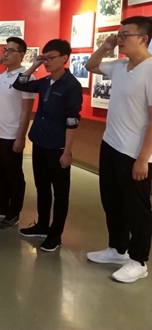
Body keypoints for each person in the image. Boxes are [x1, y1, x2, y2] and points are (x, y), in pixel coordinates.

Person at [85, 16, 152, 283]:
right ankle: (117, 248)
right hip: (110, 144)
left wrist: (143, 158)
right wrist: (106, 46)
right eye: (119, 34)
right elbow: (91, 66)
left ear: (143, 39)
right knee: (111, 201)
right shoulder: (121, 66)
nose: (120, 39)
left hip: (134, 152)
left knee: (137, 208)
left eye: (125, 35)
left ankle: (138, 260)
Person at [12, 39, 83, 252]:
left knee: (60, 193)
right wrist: (34, 64)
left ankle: (55, 234)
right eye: (45, 58)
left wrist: (67, 151)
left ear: (64, 58)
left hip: (58, 146)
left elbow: (72, 120)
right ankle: (42, 225)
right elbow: (19, 83)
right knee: (42, 187)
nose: (47, 62)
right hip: (40, 142)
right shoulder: (45, 81)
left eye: (51, 58)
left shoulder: (72, 85)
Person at [0, 38, 35, 229]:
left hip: (11, 136)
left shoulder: (26, 78)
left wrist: (21, 137)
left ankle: (14, 212)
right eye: (4, 50)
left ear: (21, 55)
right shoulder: (3, 75)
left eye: (10, 51)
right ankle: (2, 205)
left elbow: (26, 111)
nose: (5, 54)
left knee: (14, 176)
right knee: (2, 173)